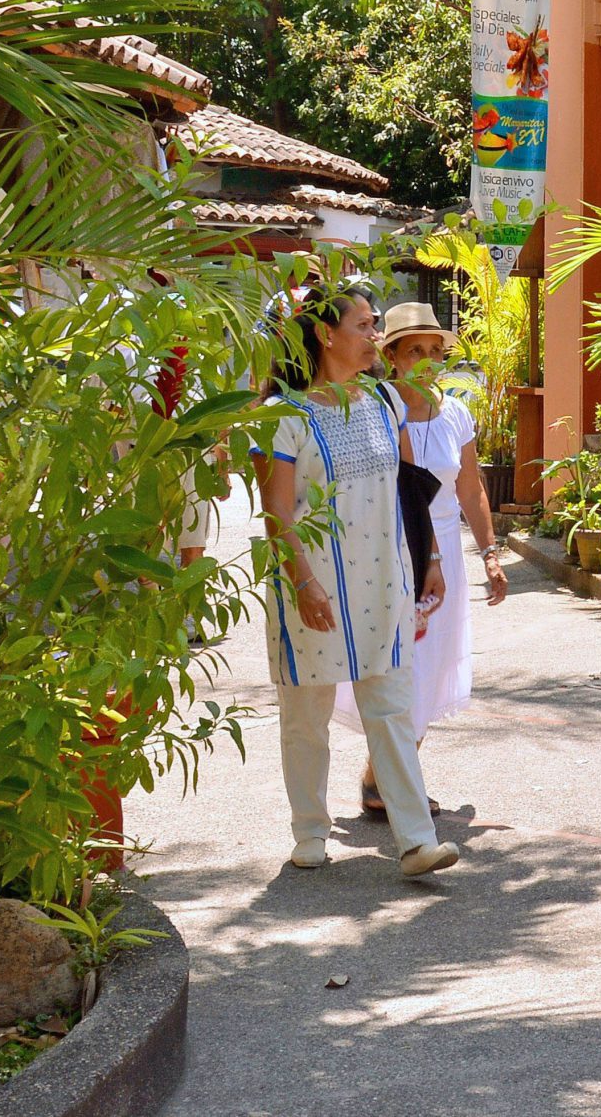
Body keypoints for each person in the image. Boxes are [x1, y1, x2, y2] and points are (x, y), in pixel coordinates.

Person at [256, 291, 459, 879]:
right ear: (324, 335)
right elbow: (277, 511)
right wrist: (304, 583)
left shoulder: (385, 401)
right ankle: (310, 831)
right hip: (313, 584)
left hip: (383, 580)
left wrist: (433, 560)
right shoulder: (284, 415)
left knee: (391, 706)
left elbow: (409, 491)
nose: (375, 335)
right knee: (305, 713)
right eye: (365, 325)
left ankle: (416, 840)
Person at [335, 303, 511, 816]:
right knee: (395, 666)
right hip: (391, 549)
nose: (429, 360)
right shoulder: (376, 407)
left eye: (436, 351)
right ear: (391, 357)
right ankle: (397, 786)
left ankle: (379, 780)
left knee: (428, 669)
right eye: (416, 351)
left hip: (443, 557)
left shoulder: (455, 413)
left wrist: (490, 554)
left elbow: (470, 487)